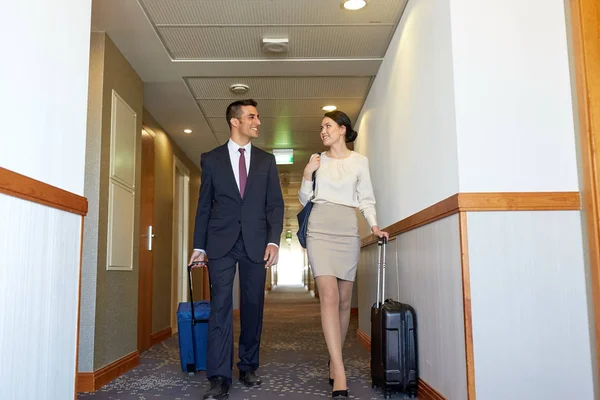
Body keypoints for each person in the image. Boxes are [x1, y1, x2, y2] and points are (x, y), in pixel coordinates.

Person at [189, 99, 284, 400]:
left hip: (256, 242)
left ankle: (247, 365)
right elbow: (204, 206)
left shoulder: (266, 161)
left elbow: (275, 204)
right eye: (252, 117)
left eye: (257, 117)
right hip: (220, 242)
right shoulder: (212, 159)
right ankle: (219, 377)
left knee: (253, 304)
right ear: (235, 121)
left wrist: (273, 240)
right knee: (220, 307)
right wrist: (199, 246)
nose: (258, 122)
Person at [299, 110, 389, 399]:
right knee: (329, 296)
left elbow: (366, 198)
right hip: (319, 228)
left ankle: (333, 357)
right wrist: (306, 175)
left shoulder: (359, 162)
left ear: (342, 129)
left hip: (347, 228)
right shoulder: (317, 161)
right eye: (321, 127)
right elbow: (304, 200)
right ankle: (339, 369)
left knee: (344, 300)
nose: (322, 131)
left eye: (327, 126)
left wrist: (374, 226)